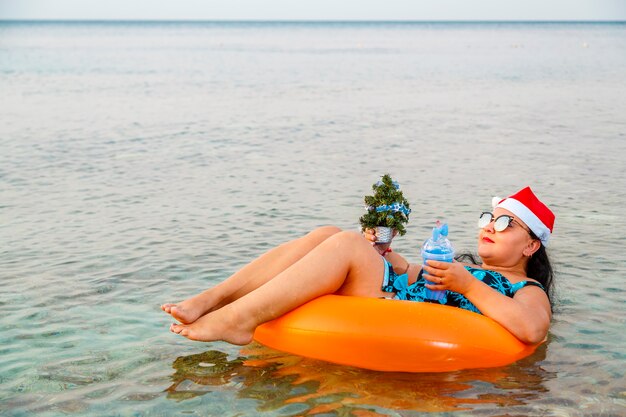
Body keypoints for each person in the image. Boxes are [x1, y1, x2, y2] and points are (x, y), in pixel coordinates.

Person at [162, 186, 555, 346]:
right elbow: (411, 274)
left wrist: (468, 285)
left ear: (531, 244)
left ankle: (239, 320)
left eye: (505, 223)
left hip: (400, 315)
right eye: (488, 216)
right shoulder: (456, 265)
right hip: (398, 294)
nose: (490, 225)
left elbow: (533, 329)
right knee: (329, 232)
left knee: (346, 243)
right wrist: (385, 252)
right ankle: (213, 300)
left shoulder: (526, 290)